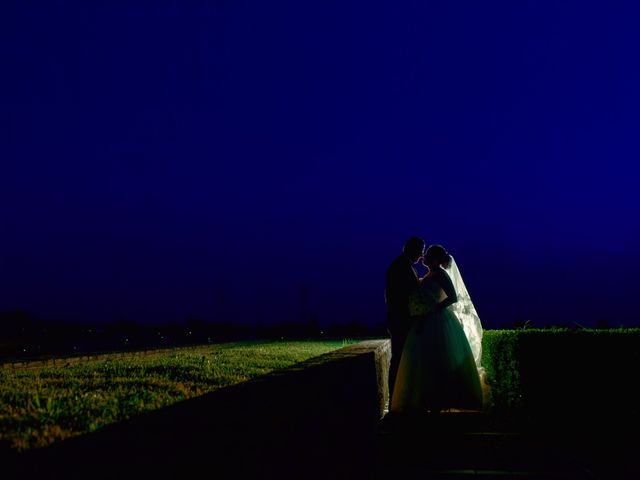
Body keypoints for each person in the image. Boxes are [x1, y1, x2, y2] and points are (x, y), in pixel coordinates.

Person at [390, 244, 483, 413]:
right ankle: (427, 400)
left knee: (437, 359)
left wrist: (434, 308)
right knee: (425, 361)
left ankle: (438, 401)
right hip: (424, 319)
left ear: (435, 259)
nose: (424, 256)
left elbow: (453, 297)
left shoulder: (441, 274)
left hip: (437, 320)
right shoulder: (429, 274)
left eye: (428, 254)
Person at [385, 236, 425, 407]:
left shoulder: (405, 266)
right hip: (401, 321)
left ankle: (401, 398)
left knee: (403, 360)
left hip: (403, 321)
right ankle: (395, 399)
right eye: (421, 251)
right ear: (413, 249)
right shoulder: (400, 267)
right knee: (398, 360)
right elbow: (396, 297)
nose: (422, 255)